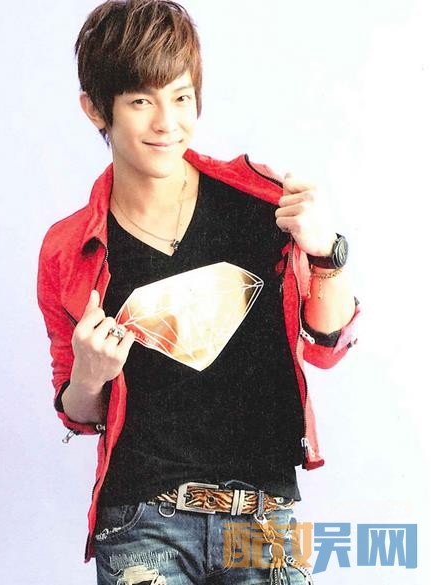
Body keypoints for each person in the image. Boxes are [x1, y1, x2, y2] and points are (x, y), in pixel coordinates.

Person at [37, 1, 360, 583]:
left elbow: (326, 346)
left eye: (181, 97)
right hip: (143, 523)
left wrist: (326, 252)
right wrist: (88, 375)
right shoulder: (70, 248)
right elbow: (79, 410)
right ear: (95, 109)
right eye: (141, 101)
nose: (167, 122)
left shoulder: (261, 204)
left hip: (262, 520)